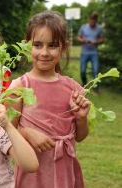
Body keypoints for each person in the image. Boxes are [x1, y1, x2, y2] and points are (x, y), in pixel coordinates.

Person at [8, 11, 91, 188]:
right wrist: (27, 133)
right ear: (27, 46)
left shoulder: (73, 88)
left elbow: (80, 136)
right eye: (37, 45)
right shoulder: (20, 86)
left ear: (63, 47)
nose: (44, 53)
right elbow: (7, 131)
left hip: (64, 171)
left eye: (52, 45)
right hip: (32, 173)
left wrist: (81, 118)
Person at [78, 12, 104, 87]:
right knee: (82, 71)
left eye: (94, 20)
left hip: (94, 53)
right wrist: (83, 40)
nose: (92, 22)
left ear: (96, 21)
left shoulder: (99, 28)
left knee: (95, 71)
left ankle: (96, 88)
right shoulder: (83, 27)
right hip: (84, 52)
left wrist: (96, 42)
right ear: (89, 19)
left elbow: (102, 39)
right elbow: (78, 38)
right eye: (91, 20)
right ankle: (84, 85)